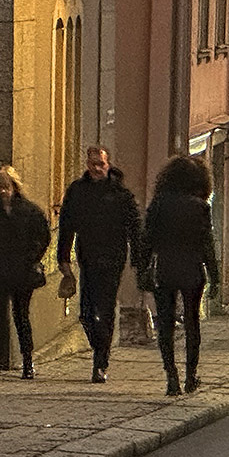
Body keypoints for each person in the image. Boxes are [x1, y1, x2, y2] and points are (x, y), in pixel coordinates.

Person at [57, 146, 141, 384]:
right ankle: (99, 346)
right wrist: (63, 258)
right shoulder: (77, 191)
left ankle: (100, 362)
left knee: (104, 311)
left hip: (113, 258)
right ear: (87, 164)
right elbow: (66, 225)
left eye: (101, 164)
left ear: (108, 164)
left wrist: (137, 258)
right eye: (93, 164)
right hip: (87, 258)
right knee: (85, 313)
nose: (97, 168)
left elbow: (134, 227)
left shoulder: (120, 194)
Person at [143, 155, 219, 397]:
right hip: (192, 270)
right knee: (192, 323)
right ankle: (191, 375)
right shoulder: (200, 208)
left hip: (165, 268)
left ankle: (171, 376)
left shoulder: (158, 204)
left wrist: (143, 269)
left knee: (165, 324)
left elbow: (147, 240)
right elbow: (207, 245)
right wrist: (215, 276)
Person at [0, 164, 50, 381]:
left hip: (22, 271)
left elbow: (42, 236)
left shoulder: (29, 211)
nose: (3, 191)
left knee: (21, 315)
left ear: (15, 186)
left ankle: (27, 361)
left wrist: (32, 258)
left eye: (6, 186)